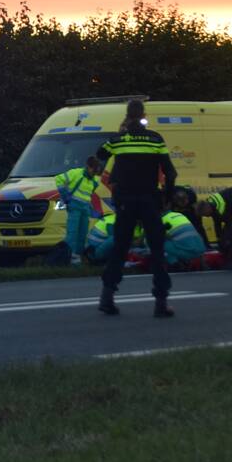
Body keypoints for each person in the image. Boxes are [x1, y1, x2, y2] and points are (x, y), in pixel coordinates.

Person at [94, 99, 178, 317]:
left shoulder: (118, 140)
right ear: (143, 115)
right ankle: (161, 302)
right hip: (149, 199)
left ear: (127, 115)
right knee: (157, 249)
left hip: (124, 200)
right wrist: (167, 197)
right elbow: (170, 172)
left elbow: (100, 155)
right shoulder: (155, 139)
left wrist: (121, 134)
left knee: (120, 247)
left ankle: (107, 296)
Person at [55, 156, 102, 266]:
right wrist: (65, 195)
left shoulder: (95, 180)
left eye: (96, 171)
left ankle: (77, 257)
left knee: (83, 233)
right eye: (94, 170)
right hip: (74, 207)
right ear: (88, 167)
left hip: (85, 208)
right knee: (72, 232)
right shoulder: (76, 173)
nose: (94, 173)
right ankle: (69, 257)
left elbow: (89, 195)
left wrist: (92, 210)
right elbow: (59, 179)